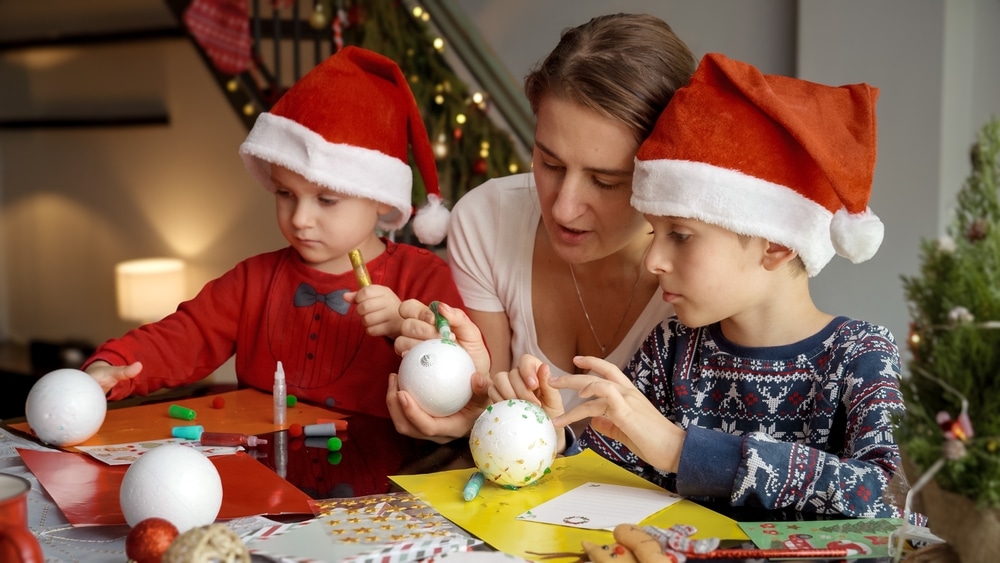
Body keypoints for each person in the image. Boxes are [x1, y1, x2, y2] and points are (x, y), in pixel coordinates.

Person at [496, 52, 908, 519]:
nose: (653, 260)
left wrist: (680, 450)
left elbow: (893, 500)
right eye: (654, 232)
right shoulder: (671, 348)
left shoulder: (860, 355)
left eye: (681, 235)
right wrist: (550, 438)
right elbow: (605, 483)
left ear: (775, 245)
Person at [83, 46, 463, 418]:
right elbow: (184, 336)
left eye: (326, 200)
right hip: (265, 469)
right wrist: (112, 365)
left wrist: (403, 324)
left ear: (380, 199)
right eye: (284, 194)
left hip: (382, 475)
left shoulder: (424, 278)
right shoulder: (252, 281)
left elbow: (462, 370)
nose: (299, 219)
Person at [387, 13, 696, 441]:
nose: (564, 209)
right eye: (549, 163)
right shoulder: (487, 220)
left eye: (604, 181)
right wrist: (467, 410)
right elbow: (493, 408)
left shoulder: (705, 273)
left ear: (665, 174)